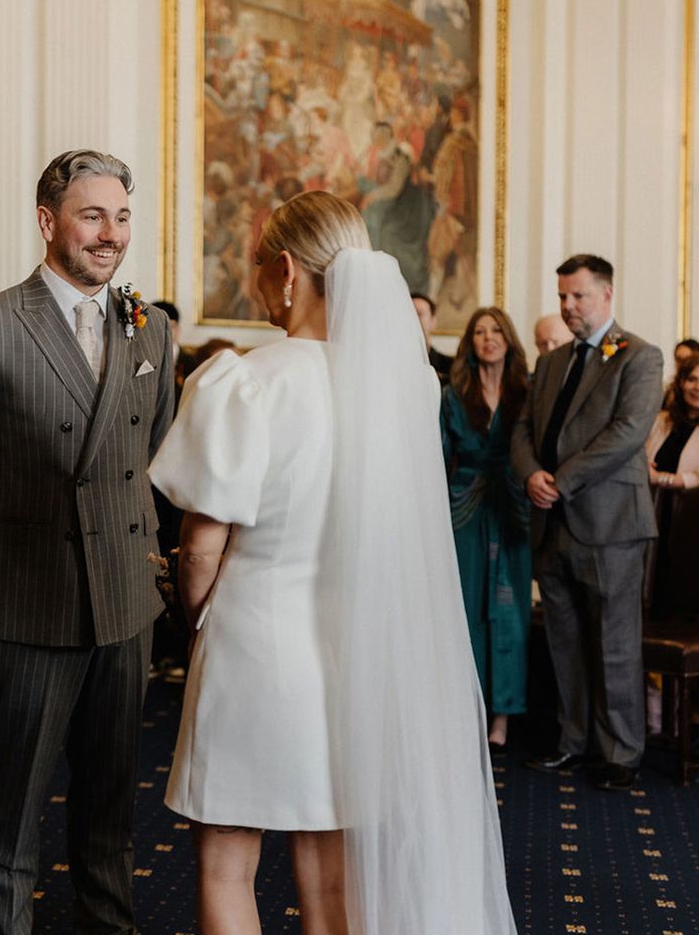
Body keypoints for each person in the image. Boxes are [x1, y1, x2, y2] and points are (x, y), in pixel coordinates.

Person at [149, 191, 515, 934]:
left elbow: (202, 544)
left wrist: (198, 611)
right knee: (331, 866)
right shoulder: (405, 387)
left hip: (256, 640)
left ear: (285, 271)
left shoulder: (243, 380)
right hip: (360, 654)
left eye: (257, 266)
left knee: (227, 859)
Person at [0, 149, 175, 934]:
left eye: (123, 216)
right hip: (34, 605)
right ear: (49, 222)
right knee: (12, 818)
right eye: (93, 215)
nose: (112, 234)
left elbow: (155, 463)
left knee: (110, 814)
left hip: (126, 606)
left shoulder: (152, 329)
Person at [511, 253, 663, 792]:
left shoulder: (640, 356)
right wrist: (530, 473)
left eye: (577, 296)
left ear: (606, 294)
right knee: (566, 641)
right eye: (561, 298)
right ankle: (572, 742)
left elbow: (627, 433)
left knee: (615, 642)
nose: (568, 306)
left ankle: (620, 753)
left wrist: (561, 480)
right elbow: (525, 427)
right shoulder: (551, 362)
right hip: (552, 522)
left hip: (610, 523)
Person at [441, 308, 531, 751]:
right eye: (479, 332)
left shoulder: (526, 392)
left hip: (513, 507)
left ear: (509, 339)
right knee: (466, 611)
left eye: (496, 331)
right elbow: (438, 458)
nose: (488, 338)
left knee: (510, 613)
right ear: (470, 342)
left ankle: (503, 717)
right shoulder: (453, 393)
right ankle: (465, 710)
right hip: (463, 509)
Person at [645, 352, 699, 619]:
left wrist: (664, 479)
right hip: (654, 511)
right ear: (680, 383)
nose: (697, 387)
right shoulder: (660, 421)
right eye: (691, 379)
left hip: (690, 522)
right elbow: (640, 455)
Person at [412, 291, 453, 383]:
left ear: (433, 322)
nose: (413, 319)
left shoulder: (450, 367)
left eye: (419, 314)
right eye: (409, 314)